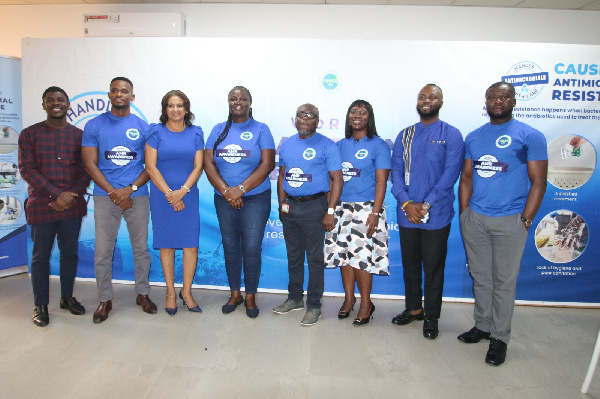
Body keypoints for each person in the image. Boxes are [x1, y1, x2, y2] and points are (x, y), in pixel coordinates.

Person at [458, 81, 547, 366]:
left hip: (510, 220)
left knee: (504, 282)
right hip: (476, 219)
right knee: (481, 277)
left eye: (504, 97)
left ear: (513, 101)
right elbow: (468, 178)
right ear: (485, 102)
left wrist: (526, 220)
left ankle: (500, 337)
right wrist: (464, 214)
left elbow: (539, 182)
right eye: (493, 97)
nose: (498, 101)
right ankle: (482, 326)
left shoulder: (530, 136)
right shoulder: (474, 136)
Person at [390, 84, 464, 339]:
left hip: (437, 213)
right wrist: (406, 203)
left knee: (433, 266)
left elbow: (450, 174)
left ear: (441, 102)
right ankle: (414, 309)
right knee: (410, 264)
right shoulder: (405, 134)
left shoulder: (451, 134)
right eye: (422, 96)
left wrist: (426, 204)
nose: (426, 100)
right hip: (406, 211)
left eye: (432, 96)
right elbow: (396, 172)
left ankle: (431, 316)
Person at [82, 77, 157, 324]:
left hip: (137, 196)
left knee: (141, 249)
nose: (119, 94)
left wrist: (131, 188)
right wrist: (114, 192)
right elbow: (90, 163)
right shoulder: (95, 125)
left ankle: (142, 293)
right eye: (114, 90)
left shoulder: (143, 127)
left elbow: (151, 166)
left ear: (132, 97)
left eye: (124, 91)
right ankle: (105, 299)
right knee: (103, 252)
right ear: (109, 94)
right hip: (105, 197)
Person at [18, 86, 91, 327]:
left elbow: (85, 170)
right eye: (50, 100)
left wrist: (69, 196)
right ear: (43, 105)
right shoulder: (30, 134)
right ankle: (40, 304)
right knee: (40, 256)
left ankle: (67, 297)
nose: (55, 103)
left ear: (68, 104)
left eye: (60, 100)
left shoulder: (79, 136)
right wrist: (56, 194)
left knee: (69, 254)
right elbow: (27, 169)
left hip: (72, 205)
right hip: (42, 203)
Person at [204, 86, 275, 318]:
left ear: (250, 103)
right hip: (224, 198)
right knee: (231, 246)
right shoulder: (218, 130)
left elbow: (268, 164)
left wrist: (241, 189)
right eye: (233, 99)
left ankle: (251, 296)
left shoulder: (261, 129)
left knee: (252, 247)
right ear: (228, 102)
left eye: (243, 99)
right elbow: (209, 164)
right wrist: (227, 192)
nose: (238, 102)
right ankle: (235, 293)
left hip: (256, 198)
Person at [274, 103, 343, 326]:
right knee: (293, 256)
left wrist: (330, 211)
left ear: (317, 120)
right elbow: (282, 176)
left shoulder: (326, 146)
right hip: (290, 207)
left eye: (310, 115)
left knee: (314, 259)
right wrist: (281, 205)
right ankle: (294, 299)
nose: (305, 118)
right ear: (295, 119)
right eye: (301, 115)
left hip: (315, 207)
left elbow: (337, 180)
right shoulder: (286, 145)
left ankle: (314, 305)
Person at [324, 99, 390, 326]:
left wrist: (375, 212)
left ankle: (366, 304)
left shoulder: (379, 145)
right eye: (353, 111)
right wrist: (330, 208)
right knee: (344, 257)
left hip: (366, 208)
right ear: (348, 116)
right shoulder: (339, 145)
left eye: (363, 112)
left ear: (369, 117)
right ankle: (349, 299)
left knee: (362, 259)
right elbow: (332, 178)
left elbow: (382, 181)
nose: (357, 115)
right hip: (341, 208)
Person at [145, 90, 204, 316]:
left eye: (180, 105)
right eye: (171, 105)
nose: (176, 110)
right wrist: (170, 194)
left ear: (186, 109)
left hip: (188, 194)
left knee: (190, 245)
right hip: (162, 196)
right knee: (167, 244)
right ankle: (170, 292)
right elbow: (151, 166)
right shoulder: (155, 132)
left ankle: (186, 292)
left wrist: (183, 191)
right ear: (165, 109)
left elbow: (198, 166)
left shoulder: (196, 133)